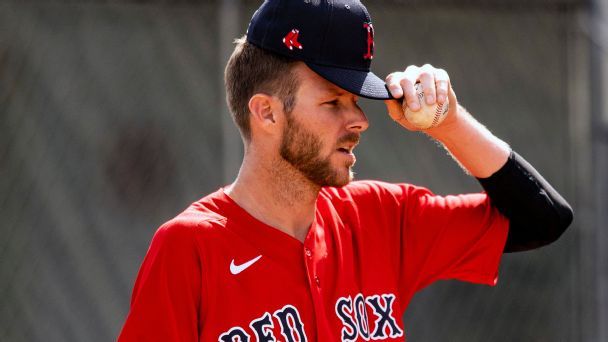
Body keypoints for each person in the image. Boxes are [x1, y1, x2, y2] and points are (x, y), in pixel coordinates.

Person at [118, 0, 573, 341]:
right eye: (334, 101)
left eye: (356, 100)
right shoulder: (189, 248)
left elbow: (543, 220)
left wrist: (448, 123)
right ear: (267, 113)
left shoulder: (379, 217)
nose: (359, 119)